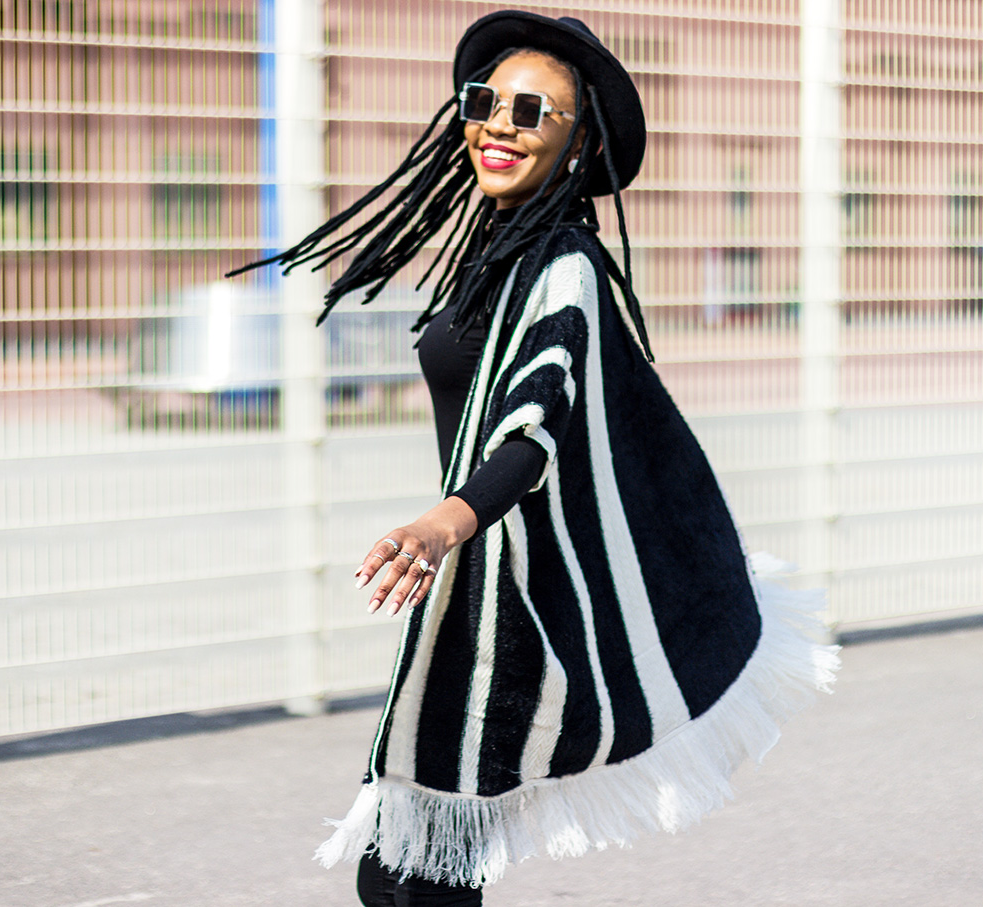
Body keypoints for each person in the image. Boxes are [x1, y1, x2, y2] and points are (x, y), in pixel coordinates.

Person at [231, 11, 839, 905]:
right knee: (415, 867)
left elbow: (535, 424)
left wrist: (445, 520)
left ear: (579, 140)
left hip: (518, 598)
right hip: (478, 589)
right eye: (485, 102)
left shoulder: (566, 265)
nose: (500, 124)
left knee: (417, 870)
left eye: (532, 110)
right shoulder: (497, 258)